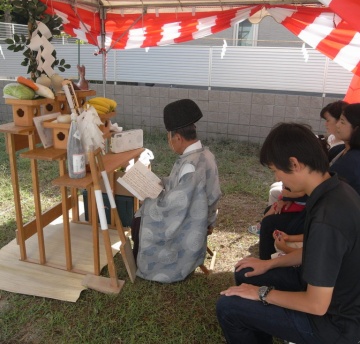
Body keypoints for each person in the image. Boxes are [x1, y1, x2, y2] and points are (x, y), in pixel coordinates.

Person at [216, 122, 360, 344]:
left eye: (276, 171)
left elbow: (316, 305)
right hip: (325, 293)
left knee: (229, 306)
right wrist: (268, 264)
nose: (277, 179)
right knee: (246, 273)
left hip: (333, 325)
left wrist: (262, 294)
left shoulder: (327, 216)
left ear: (294, 163)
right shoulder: (336, 188)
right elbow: (316, 251)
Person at [131, 99, 221, 283]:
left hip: (192, 221)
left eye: (169, 138)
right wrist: (161, 183)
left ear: (178, 138)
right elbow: (186, 191)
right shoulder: (205, 154)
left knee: (139, 220)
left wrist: (147, 200)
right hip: (205, 213)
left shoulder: (190, 166)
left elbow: (175, 206)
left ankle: (149, 265)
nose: (169, 142)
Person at [330, 103, 360, 195]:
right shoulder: (338, 149)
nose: (337, 125)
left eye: (342, 122)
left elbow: (325, 186)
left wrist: (295, 195)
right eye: (339, 119)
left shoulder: (353, 160)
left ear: (356, 129)